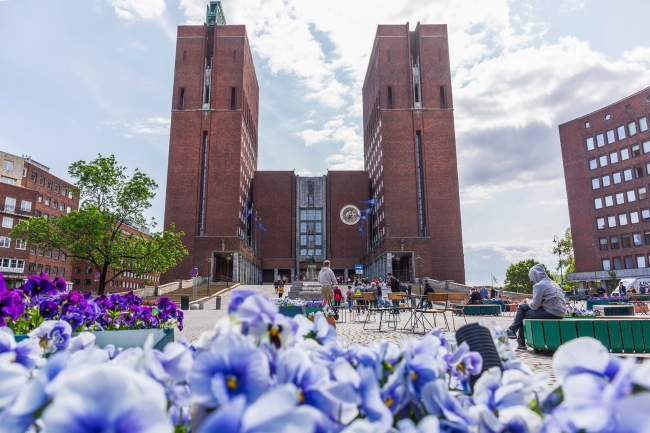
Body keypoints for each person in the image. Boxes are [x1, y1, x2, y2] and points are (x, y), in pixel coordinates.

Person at [507, 264, 566, 350]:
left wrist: (527, 301)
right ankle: (512, 331)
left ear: (535, 275)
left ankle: (519, 340)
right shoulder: (554, 283)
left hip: (551, 312)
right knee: (523, 307)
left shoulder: (539, 285)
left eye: (532, 277)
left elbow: (535, 306)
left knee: (524, 313)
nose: (531, 280)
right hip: (560, 312)